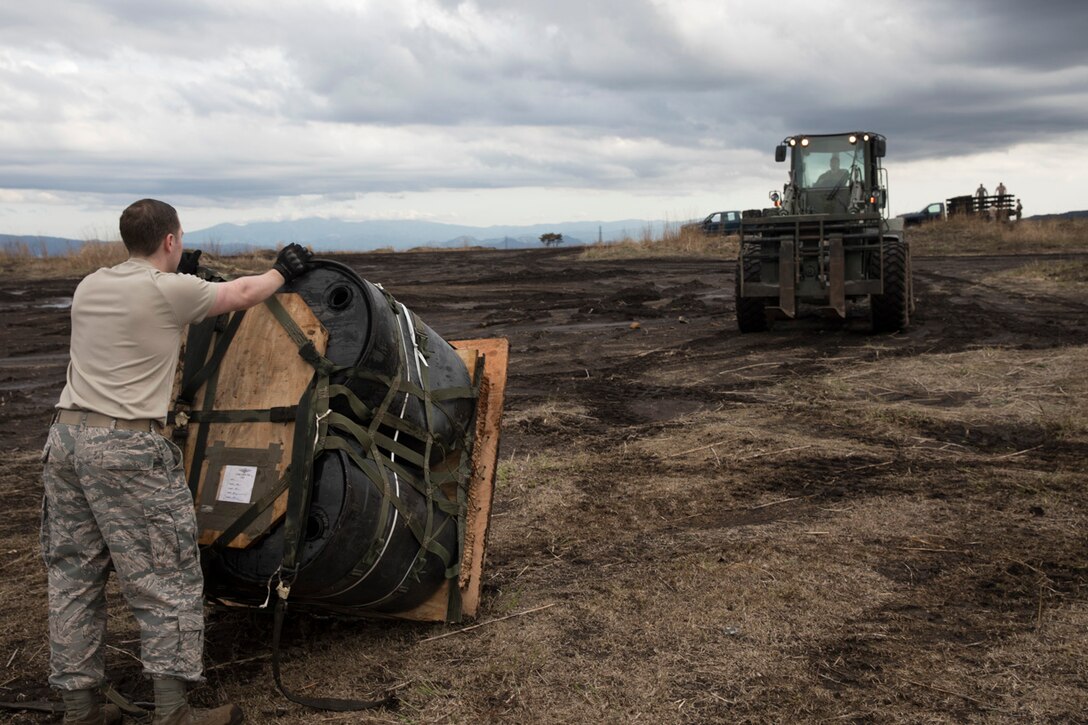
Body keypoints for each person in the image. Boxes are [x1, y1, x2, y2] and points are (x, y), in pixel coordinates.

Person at [40, 199, 313, 725]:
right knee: (167, 576)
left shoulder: (90, 286)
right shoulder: (170, 291)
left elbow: (141, 311)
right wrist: (283, 268)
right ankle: (172, 715)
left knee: (73, 578)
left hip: (66, 442)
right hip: (126, 449)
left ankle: (80, 712)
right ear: (171, 240)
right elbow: (241, 293)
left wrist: (178, 276)